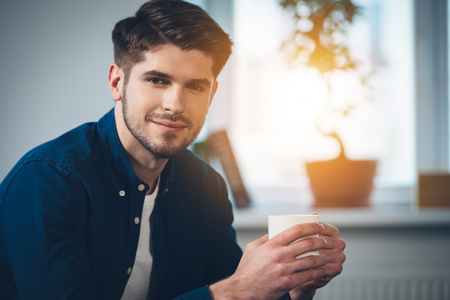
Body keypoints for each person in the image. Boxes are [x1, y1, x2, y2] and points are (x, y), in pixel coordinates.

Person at [0, 0, 346, 299]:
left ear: (210, 96)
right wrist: (238, 289)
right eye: (157, 80)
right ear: (117, 82)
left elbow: (234, 293)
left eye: (195, 86)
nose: (175, 104)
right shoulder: (49, 180)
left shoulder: (204, 184)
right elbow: (232, 292)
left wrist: (290, 290)